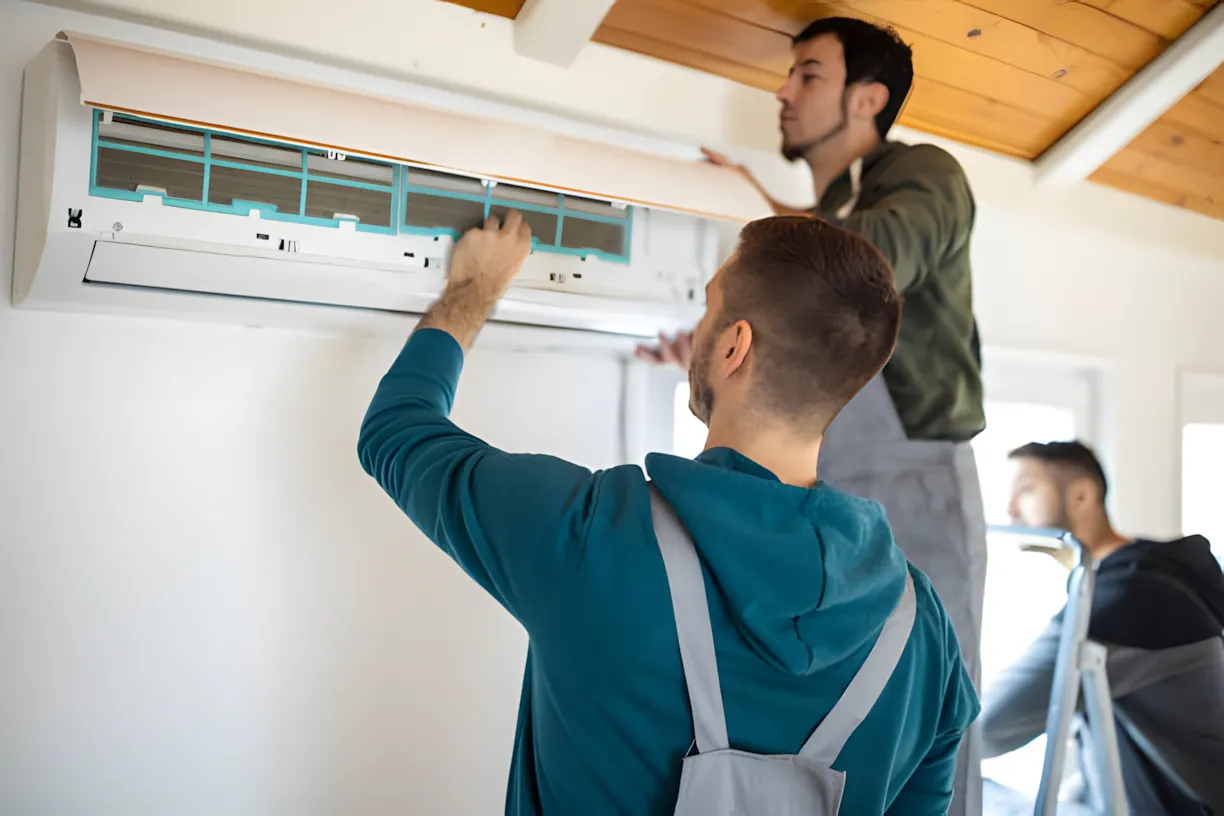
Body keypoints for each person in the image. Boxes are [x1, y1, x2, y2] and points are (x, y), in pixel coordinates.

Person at [358, 210, 979, 814]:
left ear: (735, 345)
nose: (699, 329)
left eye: (709, 307)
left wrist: (475, 287)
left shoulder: (591, 532)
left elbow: (396, 431)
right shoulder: (924, 632)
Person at [638, 17, 987, 816]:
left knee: (932, 704)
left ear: (867, 98)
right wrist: (719, 351)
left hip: (914, 471)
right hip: (822, 474)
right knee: (828, 705)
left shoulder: (924, 172)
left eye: (807, 75)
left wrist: (762, 227)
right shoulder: (830, 204)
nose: (783, 91)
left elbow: (865, 272)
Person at [981, 440, 1224, 814]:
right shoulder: (1143, 576)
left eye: (1026, 491)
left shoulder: (1132, 598)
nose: (1010, 510)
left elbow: (986, 729)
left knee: (972, 794)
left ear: (1081, 495)